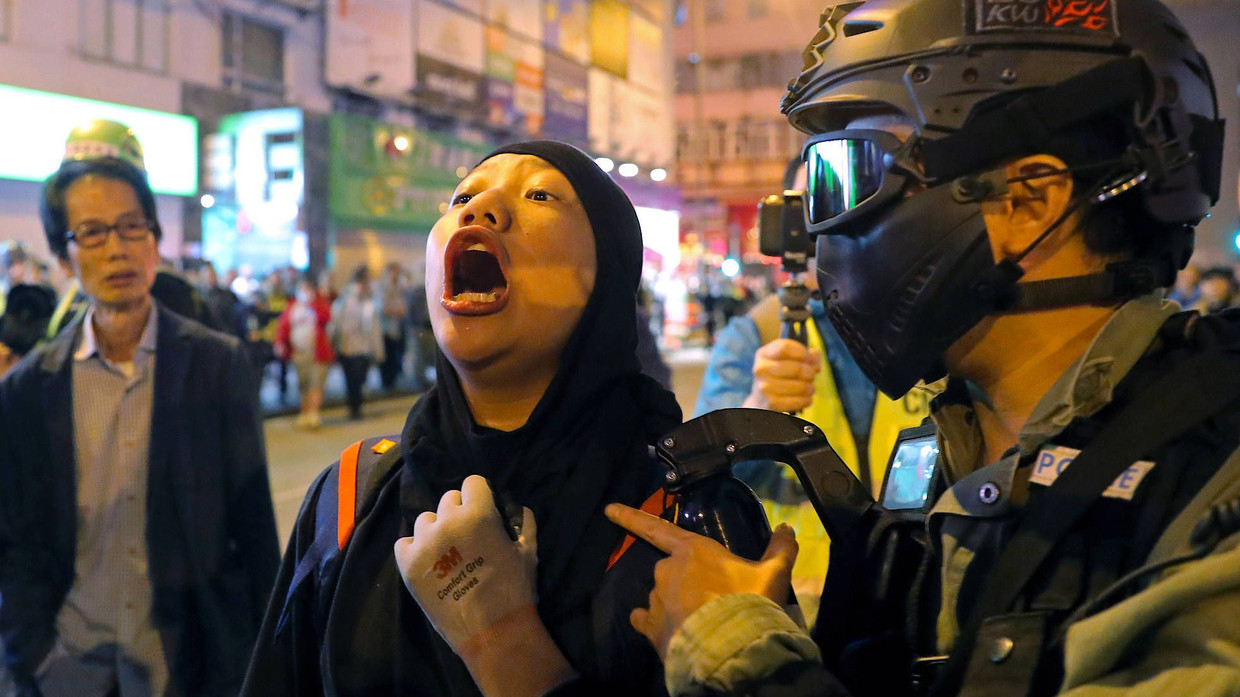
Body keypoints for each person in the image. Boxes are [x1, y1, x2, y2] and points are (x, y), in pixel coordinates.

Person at [599, 0, 1240, 696]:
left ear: (1029, 199)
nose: (822, 229)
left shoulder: (1214, 484)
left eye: (848, 172)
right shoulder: (946, 453)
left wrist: (733, 646)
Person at [240, 141, 683, 696]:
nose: (480, 210)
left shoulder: (688, 524)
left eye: (540, 195)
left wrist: (503, 637)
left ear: (607, 278)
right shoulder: (351, 498)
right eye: (462, 197)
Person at [0, 119, 280, 697]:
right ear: (64, 256)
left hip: (188, 664)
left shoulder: (217, 364)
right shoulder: (28, 389)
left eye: (132, 226)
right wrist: (35, 659)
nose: (117, 248)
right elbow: (17, 547)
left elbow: (253, 529)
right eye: (93, 233)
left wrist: (266, 661)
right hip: (69, 667)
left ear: (154, 238)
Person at [694, 267, 928, 621]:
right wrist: (757, 410)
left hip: (915, 595)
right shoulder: (760, 332)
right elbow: (698, 475)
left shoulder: (927, 326)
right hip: (800, 607)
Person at [275, 274, 334, 429]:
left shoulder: (319, 305)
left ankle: (314, 413)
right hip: (299, 352)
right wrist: (280, 343)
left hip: (317, 352)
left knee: (316, 383)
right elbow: (283, 327)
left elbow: (327, 317)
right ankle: (305, 412)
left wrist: (313, 304)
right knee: (303, 384)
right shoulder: (293, 307)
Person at [329, 265, 385, 420]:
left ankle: (357, 407)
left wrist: (378, 350)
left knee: (360, 378)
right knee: (351, 380)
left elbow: (374, 328)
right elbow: (335, 326)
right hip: (347, 348)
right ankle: (354, 409)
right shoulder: (344, 302)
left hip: (363, 349)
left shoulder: (369, 303)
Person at [376, 261, 409, 391]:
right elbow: (382, 308)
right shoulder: (384, 287)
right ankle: (387, 383)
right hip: (386, 329)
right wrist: (397, 311)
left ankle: (393, 381)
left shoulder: (399, 287)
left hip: (397, 328)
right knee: (387, 357)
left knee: (396, 355)